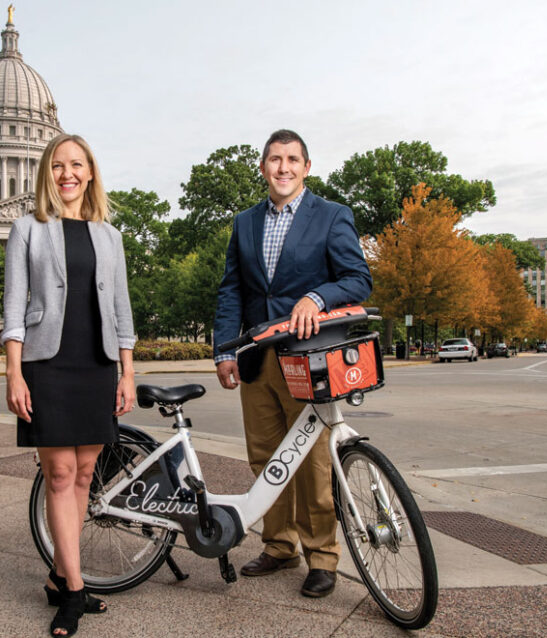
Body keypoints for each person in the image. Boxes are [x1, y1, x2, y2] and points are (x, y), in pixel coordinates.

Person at [213, 129, 372, 599]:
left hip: (309, 361)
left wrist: (316, 297)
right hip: (257, 361)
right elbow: (232, 291)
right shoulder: (244, 223)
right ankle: (279, 545)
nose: (282, 167)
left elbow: (357, 278)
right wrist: (225, 351)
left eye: (292, 160)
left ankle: (321, 557)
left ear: (306, 167)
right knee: (265, 459)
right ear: (262, 167)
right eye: (274, 160)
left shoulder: (332, 216)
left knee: (313, 464)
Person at [0, 133, 136, 638]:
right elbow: (14, 307)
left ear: (91, 172)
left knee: (84, 476)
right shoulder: (26, 228)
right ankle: (75, 592)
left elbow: (121, 309)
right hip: (48, 362)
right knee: (59, 475)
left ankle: (60, 576)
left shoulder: (110, 235)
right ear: (47, 174)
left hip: (97, 361)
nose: (68, 174)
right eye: (58, 166)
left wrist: (128, 370)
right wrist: (14, 372)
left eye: (77, 165)